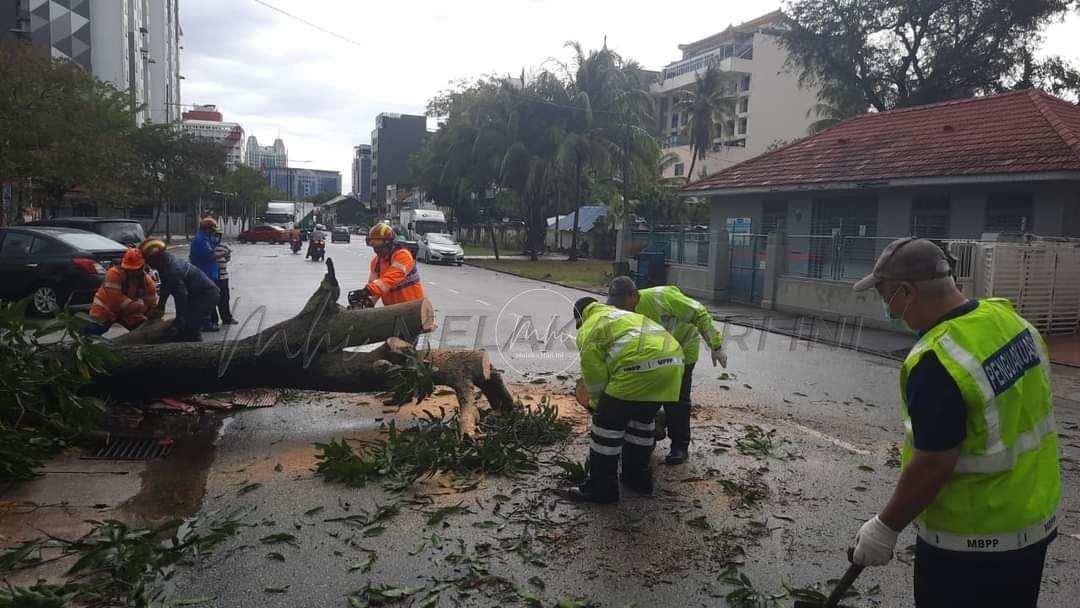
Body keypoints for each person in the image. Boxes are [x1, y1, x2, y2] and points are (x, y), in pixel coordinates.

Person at [848, 237, 1059, 608]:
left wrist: (885, 527)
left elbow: (933, 463)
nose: (888, 309)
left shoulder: (937, 360)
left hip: (971, 545)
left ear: (907, 292)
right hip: (1033, 523)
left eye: (886, 298)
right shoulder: (1007, 319)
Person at [566, 297, 684, 504]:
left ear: (581, 318)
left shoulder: (589, 327)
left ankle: (601, 489)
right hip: (673, 365)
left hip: (637, 369)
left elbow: (595, 377)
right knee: (641, 422)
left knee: (605, 428)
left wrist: (597, 405)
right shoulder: (626, 316)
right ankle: (638, 479)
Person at [607, 277, 726, 465]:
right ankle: (650, 435)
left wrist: (716, 345)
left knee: (677, 400)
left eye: (622, 302)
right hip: (653, 355)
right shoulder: (624, 312)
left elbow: (699, 313)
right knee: (646, 397)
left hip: (683, 350)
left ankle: (680, 445)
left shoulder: (662, 297)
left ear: (633, 295)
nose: (620, 308)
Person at [141, 239, 220, 342]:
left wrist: (179, 318)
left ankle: (195, 345)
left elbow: (181, 296)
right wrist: (161, 306)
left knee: (190, 329)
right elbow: (166, 285)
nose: (147, 264)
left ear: (155, 258)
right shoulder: (164, 264)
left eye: (147, 260)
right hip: (195, 295)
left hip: (206, 295)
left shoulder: (172, 269)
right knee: (183, 329)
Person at [86, 248, 158, 334]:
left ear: (142, 268)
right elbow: (115, 299)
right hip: (105, 311)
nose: (131, 271)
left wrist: (152, 314)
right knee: (91, 332)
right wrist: (135, 306)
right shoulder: (113, 274)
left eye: (134, 269)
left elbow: (151, 304)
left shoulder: (148, 283)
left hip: (129, 314)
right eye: (129, 269)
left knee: (145, 333)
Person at [351, 223, 424, 307]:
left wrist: (367, 291)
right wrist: (367, 302)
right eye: (374, 246)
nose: (376, 250)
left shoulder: (403, 256)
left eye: (379, 246)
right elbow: (375, 286)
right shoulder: (376, 262)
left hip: (413, 307)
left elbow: (390, 279)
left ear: (389, 243)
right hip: (392, 309)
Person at [190, 217, 223, 332]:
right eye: (212, 230)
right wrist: (223, 253)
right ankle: (206, 323)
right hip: (204, 274)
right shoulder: (202, 240)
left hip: (207, 273)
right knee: (206, 299)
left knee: (207, 299)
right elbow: (210, 255)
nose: (213, 233)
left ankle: (207, 322)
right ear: (207, 229)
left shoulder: (204, 239)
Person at [208, 228, 237, 326]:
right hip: (211, 277)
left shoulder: (224, 247)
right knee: (212, 298)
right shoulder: (208, 247)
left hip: (223, 277)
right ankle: (213, 320)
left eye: (218, 235)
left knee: (224, 298)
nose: (216, 237)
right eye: (214, 235)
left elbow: (227, 258)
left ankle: (226, 318)